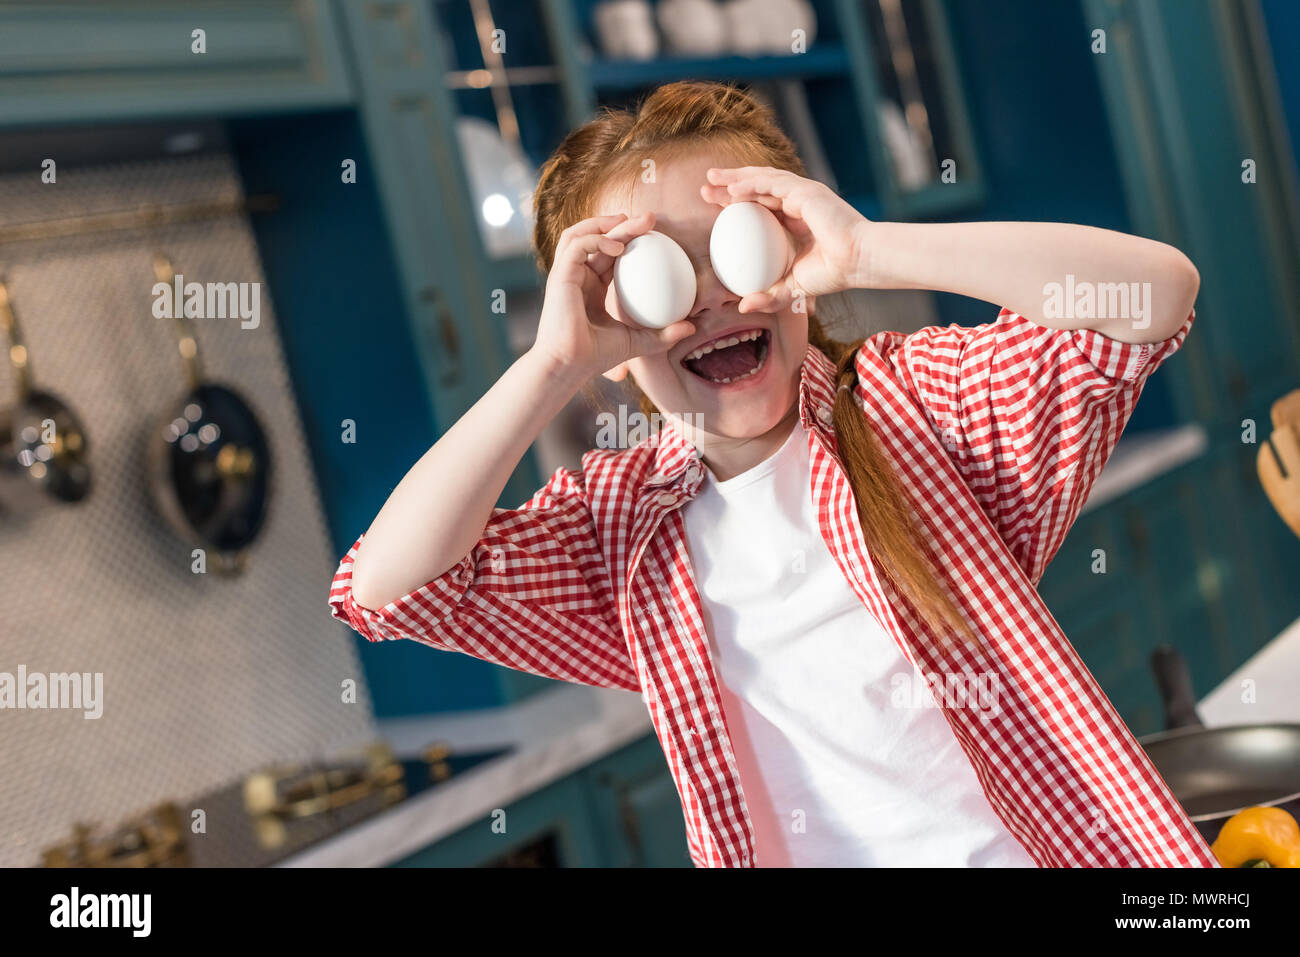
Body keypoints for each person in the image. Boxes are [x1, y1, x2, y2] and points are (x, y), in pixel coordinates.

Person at [329, 81, 1216, 868]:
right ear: (614, 332)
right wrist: (550, 364)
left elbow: (1152, 299)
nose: (715, 295)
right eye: (661, 277)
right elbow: (389, 587)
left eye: (738, 244)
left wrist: (870, 250)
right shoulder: (622, 533)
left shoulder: (915, 408)